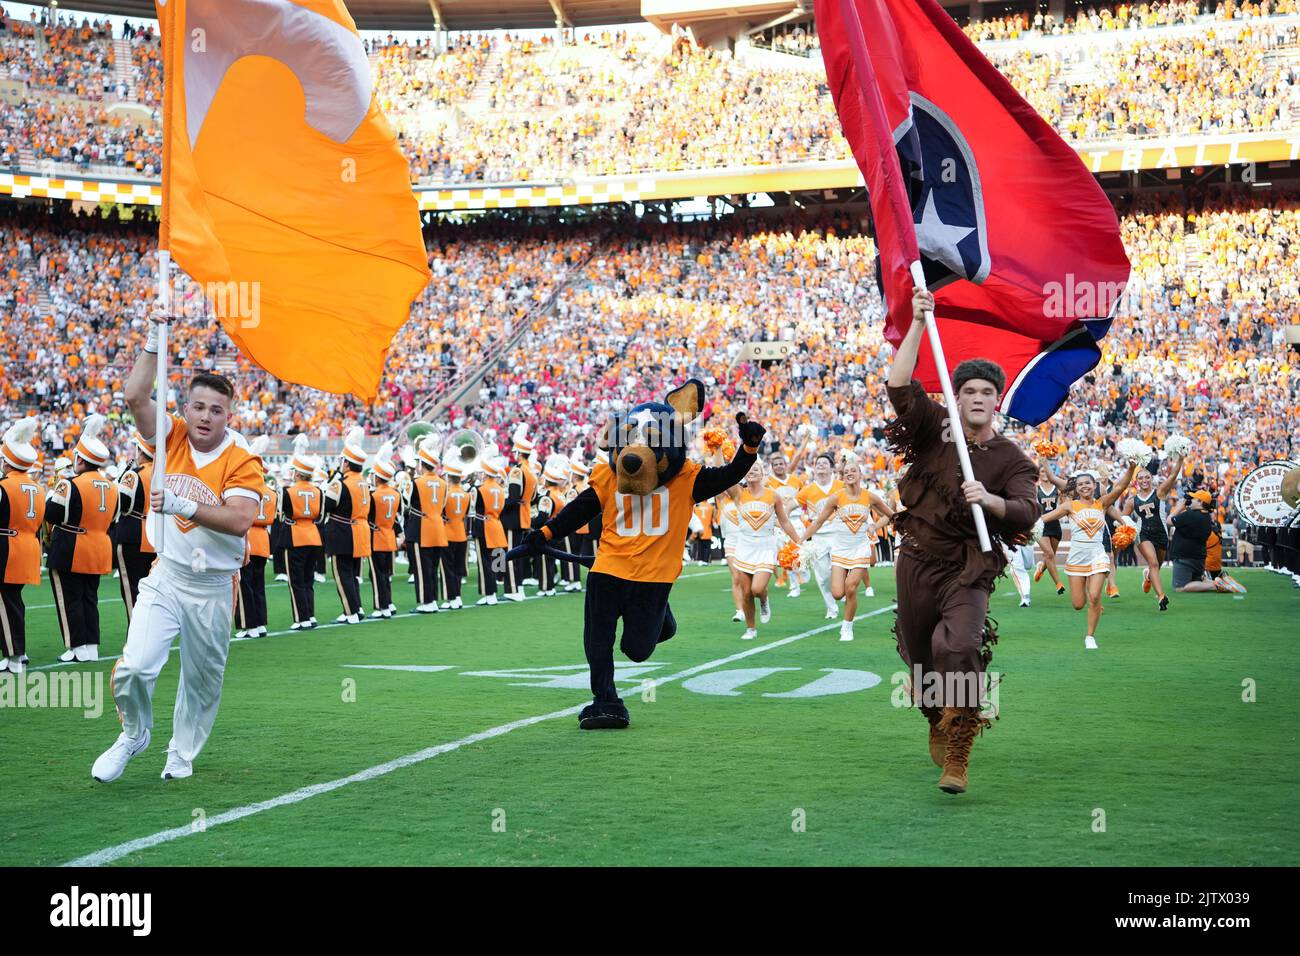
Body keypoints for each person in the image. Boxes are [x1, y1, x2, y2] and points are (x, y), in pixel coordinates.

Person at [885, 287, 1040, 796]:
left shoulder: (1009, 456)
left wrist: (990, 502)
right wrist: (916, 322)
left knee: (961, 645)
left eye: (986, 393)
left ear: (998, 400)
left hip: (969, 567)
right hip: (916, 559)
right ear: (958, 397)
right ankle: (937, 714)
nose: (977, 399)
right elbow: (899, 384)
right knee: (921, 655)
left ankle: (960, 752)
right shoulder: (934, 430)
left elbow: (1027, 509)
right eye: (968, 391)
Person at [93, 317, 262, 783]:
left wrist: (187, 503)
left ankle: (181, 752)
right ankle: (134, 733)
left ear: (230, 416)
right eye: (199, 407)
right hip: (168, 574)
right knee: (135, 666)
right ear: (186, 408)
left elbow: (240, 519)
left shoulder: (241, 458)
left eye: (216, 410)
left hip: (212, 584)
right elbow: (133, 397)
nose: (205, 416)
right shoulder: (171, 438)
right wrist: (152, 341)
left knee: (202, 681)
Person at [1039, 462, 1137, 650]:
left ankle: (1090, 636)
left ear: (1095, 486)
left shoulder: (1102, 504)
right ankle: (1092, 606)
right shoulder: (1070, 506)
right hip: (1076, 559)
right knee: (1078, 604)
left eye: (1088, 483)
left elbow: (1120, 487)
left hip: (1098, 556)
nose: (1085, 486)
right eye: (1081, 484)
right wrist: (1030, 525)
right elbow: (1045, 518)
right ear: (1076, 488)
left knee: (1093, 597)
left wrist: (1131, 467)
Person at [46, 414, 118, 663]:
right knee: (90, 598)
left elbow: (53, 514)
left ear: (80, 459)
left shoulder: (70, 484)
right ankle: (91, 646)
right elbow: (115, 518)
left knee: (70, 599)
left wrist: (51, 492)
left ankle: (75, 646)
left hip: (71, 546)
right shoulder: (112, 486)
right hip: (99, 546)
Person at [798, 457, 894, 641]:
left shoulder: (870, 496)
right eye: (846, 472)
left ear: (860, 474)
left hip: (860, 549)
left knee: (850, 589)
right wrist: (801, 539)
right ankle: (844, 611)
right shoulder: (836, 498)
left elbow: (889, 515)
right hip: (840, 550)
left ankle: (847, 627)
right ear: (842, 477)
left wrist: (875, 526)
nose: (849, 474)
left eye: (853, 471)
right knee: (837, 593)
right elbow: (818, 521)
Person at [723, 459, 802, 640]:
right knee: (746, 592)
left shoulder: (773, 496)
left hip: (766, 546)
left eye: (756, 469)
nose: (752, 471)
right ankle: (751, 629)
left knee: (757, 589)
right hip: (744, 546)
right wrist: (717, 448)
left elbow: (783, 521)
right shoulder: (738, 493)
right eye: (749, 469)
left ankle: (764, 600)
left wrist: (799, 541)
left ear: (762, 473)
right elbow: (724, 473)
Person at [0, 417, 45, 673]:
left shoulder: (5, 486)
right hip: (27, 547)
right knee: (14, 601)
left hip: (6, 548)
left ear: (7, 461)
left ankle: (14, 656)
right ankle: (17, 653)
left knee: (5, 602)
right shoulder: (37, 488)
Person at [321, 431, 373, 624]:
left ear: (347, 463)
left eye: (343, 461)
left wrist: (327, 486)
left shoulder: (341, 483)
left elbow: (328, 505)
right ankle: (356, 608)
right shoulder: (364, 482)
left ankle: (350, 611)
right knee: (352, 574)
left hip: (343, 533)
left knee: (342, 575)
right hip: (360, 531)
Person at [1122, 452, 1184, 609]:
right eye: (1140, 478)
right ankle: (1161, 597)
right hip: (1143, 534)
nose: (1144, 480)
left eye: (1147, 477)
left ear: (1151, 479)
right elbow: (1122, 519)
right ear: (1136, 481)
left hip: (1161, 534)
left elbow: (1172, 477)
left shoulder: (1159, 492)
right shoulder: (1132, 501)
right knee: (1154, 563)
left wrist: (1181, 460)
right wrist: (1125, 530)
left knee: (1157, 565)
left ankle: (1148, 576)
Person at [795, 452, 844, 620]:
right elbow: (790, 505)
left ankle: (840, 590)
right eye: (818, 463)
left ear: (832, 468)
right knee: (823, 576)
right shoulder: (807, 490)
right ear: (814, 468)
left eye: (825, 463)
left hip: (839, 535)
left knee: (840, 569)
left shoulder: (841, 486)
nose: (821, 465)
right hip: (818, 537)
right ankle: (831, 607)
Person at [113, 431, 156, 619]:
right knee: (154, 592)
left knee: (132, 592)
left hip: (134, 535)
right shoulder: (166, 473)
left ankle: (135, 638)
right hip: (158, 536)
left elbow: (120, 504)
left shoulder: (133, 475)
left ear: (141, 451)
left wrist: (117, 484)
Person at [235, 436, 275, 638]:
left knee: (245, 584)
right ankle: (260, 623)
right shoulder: (272, 492)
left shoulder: (247, 490)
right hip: (263, 540)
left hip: (248, 538)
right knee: (258, 584)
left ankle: (248, 624)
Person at [283, 441, 323, 631]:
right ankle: (310, 615)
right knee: (308, 580)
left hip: (296, 536)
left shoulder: (289, 491)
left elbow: (284, 515)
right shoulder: (318, 491)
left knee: (296, 581)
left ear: (298, 474)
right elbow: (321, 516)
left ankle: (301, 618)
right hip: (314, 536)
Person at [408, 436, 448, 613]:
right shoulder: (443, 483)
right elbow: (443, 504)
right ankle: (432, 600)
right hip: (438, 528)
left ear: (422, 464)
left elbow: (406, 503)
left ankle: (426, 602)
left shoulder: (416, 482)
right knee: (432, 567)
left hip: (420, 528)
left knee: (422, 567)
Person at [368, 450, 401, 618]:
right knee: (386, 574)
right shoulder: (396, 494)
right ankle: (388, 602)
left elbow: (369, 517)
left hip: (376, 538)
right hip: (389, 537)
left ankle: (381, 607)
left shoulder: (373, 495)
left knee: (377, 574)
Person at [1168, 490, 1220, 592]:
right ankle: (1214, 581)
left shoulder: (1191, 515)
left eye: (1194, 498)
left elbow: (1169, 521)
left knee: (1180, 588)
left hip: (1185, 557)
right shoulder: (1206, 517)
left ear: (1200, 502)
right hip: (1199, 558)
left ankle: (1215, 584)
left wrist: (1178, 508)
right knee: (1196, 580)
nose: (1190, 500)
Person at [1033, 465, 1066, 595]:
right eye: (1042, 471)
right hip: (1041, 526)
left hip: (1055, 525)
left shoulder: (1057, 490)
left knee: (1050, 556)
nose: (1045, 473)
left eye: (1047, 471)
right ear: (1039, 474)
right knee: (1049, 554)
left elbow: (1064, 504)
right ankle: (1058, 584)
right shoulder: (1036, 489)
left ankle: (1041, 568)